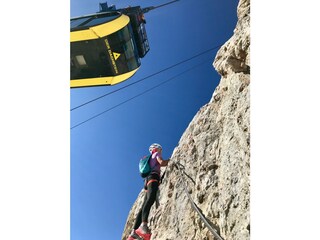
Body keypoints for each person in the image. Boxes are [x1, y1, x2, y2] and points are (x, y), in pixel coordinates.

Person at [127, 143, 170, 240]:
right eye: (160, 149)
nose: (161, 151)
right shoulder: (156, 154)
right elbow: (162, 163)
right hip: (153, 177)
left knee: (143, 207)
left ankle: (133, 233)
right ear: (157, 149)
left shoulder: (150, 157)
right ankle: (143, 226)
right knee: (151, 198)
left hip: (147, 181)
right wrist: (171, 160)